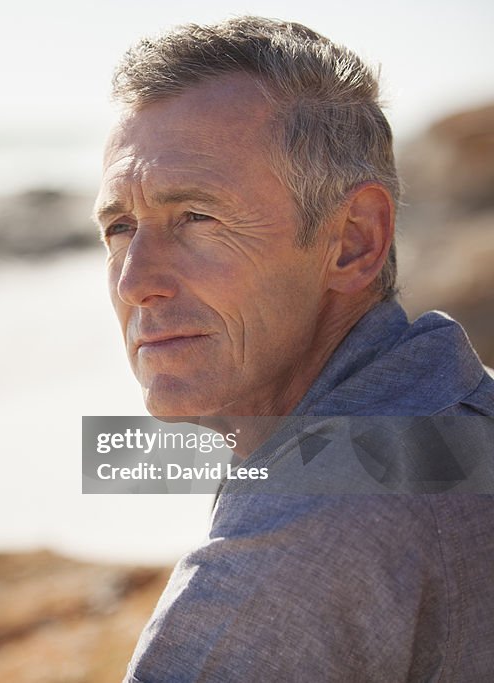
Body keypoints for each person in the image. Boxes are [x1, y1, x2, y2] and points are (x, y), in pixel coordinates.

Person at [94, 16, 494, 681]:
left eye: (196, 216)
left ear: (355, 239)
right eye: (119, 226)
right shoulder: (461, 404)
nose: (135, 282)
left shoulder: (304, 537)